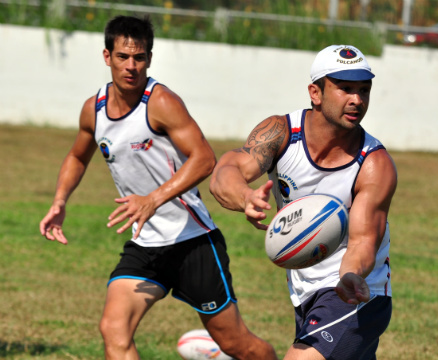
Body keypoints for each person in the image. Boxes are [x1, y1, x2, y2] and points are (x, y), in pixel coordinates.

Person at [38, 15, 277, 360]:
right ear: (107, 56)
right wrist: (60, 201)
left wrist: (153, 199)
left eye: (139, 57)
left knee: (236, 344)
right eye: (122, 57)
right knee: (113, 330)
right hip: (145, 244)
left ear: (149, 58)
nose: (131, 66)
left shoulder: (160, 102)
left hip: (192, 241)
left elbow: (205, 158)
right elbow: (77, 157)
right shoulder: (95, 110)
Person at [209, 44, 397, 360]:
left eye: (364, 89)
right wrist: (246, 197)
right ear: (316, 92)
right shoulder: (281, 133)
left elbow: (363, 242)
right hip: (306, 291)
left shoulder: (374, 164)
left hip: (356, 294)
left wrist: (351, 275)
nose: (357, 99)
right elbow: (225, 171)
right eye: (345, 88)